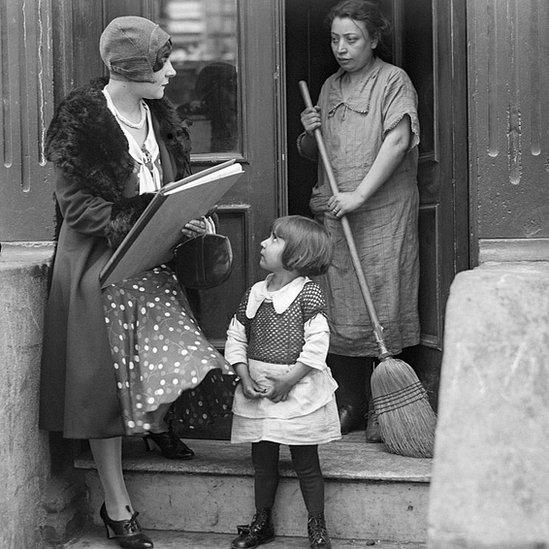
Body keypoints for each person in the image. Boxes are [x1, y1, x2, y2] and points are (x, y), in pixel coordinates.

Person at [39, 16, 233, 549]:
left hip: (153, 263)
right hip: (98, 269)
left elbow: (171, 188)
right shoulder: (83, 121)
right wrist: (144, 217)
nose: (171, 72)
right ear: (131, 68)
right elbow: (78, 208)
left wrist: (189, 215)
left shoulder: (160, 117)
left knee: (188, 357)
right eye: (162, 62)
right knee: (103, 388)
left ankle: (155, 423)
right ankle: (116, 503)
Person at [298, 0, 420, 438]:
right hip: (337, 208)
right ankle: (351, 401)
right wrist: (308, 131)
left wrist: (359, 196)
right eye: (335, 39)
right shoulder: (329, 86)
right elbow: (320, 152)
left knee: (384, 297)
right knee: (343, 303)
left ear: (372, 40)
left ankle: (383, 409)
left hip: (381, 212)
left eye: (352, 39)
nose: (342, 48)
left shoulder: (392, 81)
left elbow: (398, 139)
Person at [226, 215, 340, 549]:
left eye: (274, 239)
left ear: (297, 255)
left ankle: (317, 525)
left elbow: (317, 345)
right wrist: (244, 376)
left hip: (297, 389)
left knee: (306, 463)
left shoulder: (308, 295)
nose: (263, 243)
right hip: (260, 390)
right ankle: (262, 522)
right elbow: (236, 335)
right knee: (263, 462)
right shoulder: (255, 294)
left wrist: (288, 382)